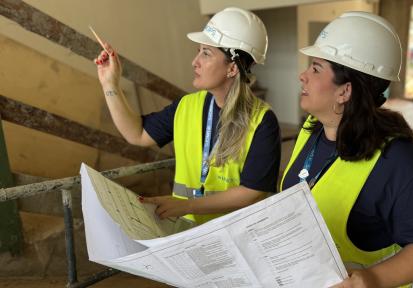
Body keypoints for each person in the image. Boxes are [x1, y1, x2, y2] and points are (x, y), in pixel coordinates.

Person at [281, 12, 413, 287]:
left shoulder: (400, 161)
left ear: (345, 91)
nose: (302, 76)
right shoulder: (311, 130)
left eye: (315, 68)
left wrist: (372, 278)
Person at [94, 7, 281, 226]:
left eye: (206, 53)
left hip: (236, 237)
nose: (195, 62)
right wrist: (110, 84)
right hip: (188, 232)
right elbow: (137, 134)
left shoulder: (262, 121)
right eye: (198, 51)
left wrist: (187, 205)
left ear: (232, 68)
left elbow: (253, 192)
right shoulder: (187, 106)